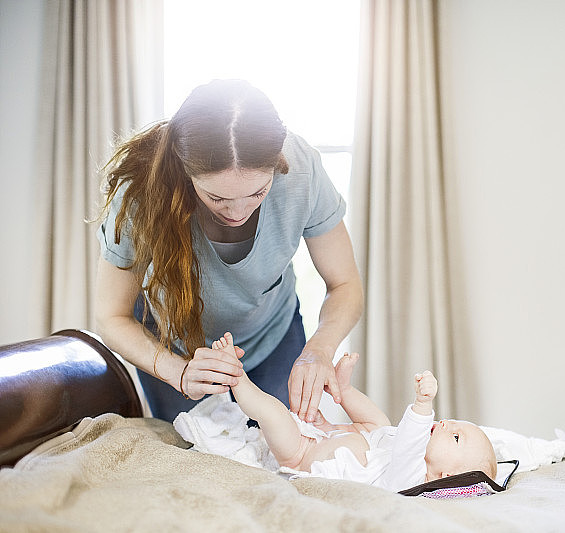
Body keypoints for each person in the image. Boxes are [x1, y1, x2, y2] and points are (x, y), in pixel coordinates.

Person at [95, 79, 363, 424]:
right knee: (193, 457)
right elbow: (111, 317)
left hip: (273, 336)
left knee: (280, 453)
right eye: (217, 198)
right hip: (171, 344)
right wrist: (178, 372)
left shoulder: (302, 171)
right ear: (184, 168)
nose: (237, 213)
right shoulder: (139, 194)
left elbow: (345, 285)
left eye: (257, 193)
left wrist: (319, 350)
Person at [212, 332, 498, 491]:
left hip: (300, 453)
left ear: (446, 475)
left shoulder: (413, 479)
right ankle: (344, 390)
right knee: (380, 424)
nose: (447, 423)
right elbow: (397, 438)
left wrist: (423, 406)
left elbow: (409, 446)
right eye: (455, 424)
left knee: (273, 412)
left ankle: (236, 377)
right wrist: (331, 430)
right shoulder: (405, 448)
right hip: (330, 436)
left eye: (456, 437)